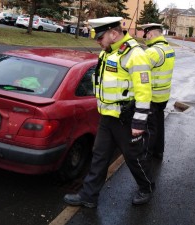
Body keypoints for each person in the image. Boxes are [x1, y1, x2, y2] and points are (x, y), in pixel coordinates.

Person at [64, 17, 154, 208]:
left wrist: (139, 123)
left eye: (100, 37)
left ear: (114, 34)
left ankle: (146, 188)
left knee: (133, 157)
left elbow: (144, 91)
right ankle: (89, 196)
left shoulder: (135, 54)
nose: (97, 41)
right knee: (99, 156)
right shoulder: (108, 52)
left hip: (126, 119)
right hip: (107, 116)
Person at [138, 23, 175, 160]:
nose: (145, 38)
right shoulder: (168, 49)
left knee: (150, 129)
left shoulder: (153, 52)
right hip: (164, 95)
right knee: (159, 124)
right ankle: (159, 151)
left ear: (151, 34)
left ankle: (146, 156)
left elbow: (140, 71)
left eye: (146, 35)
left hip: (152, 96)